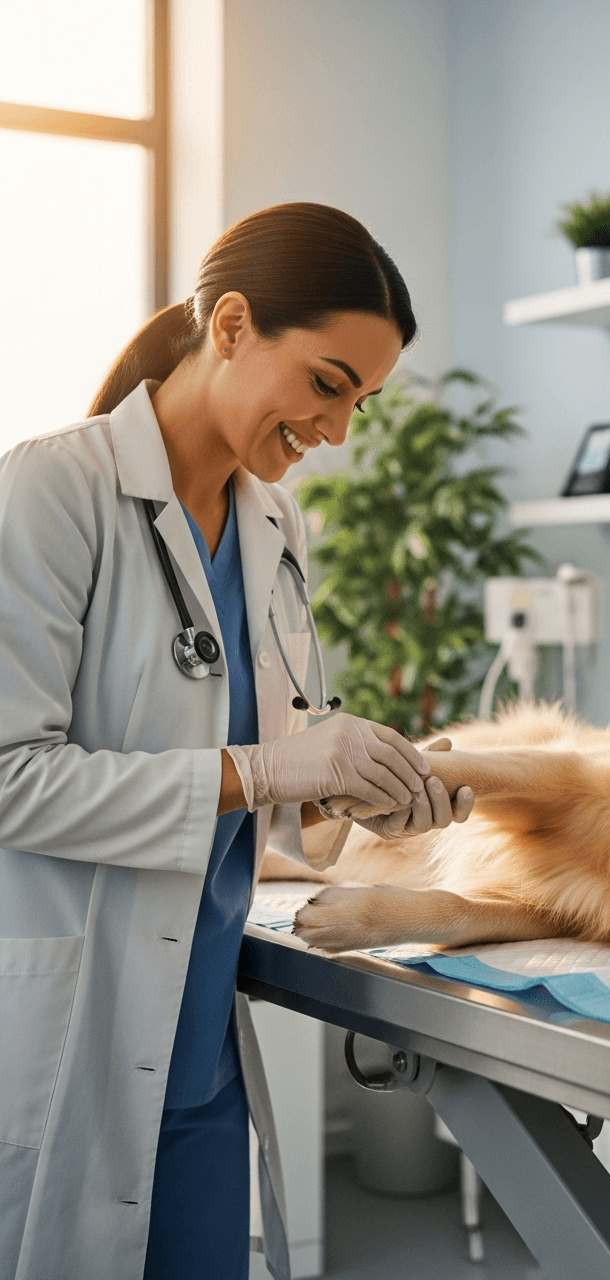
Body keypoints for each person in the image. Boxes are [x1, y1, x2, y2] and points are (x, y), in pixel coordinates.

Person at [0, 202, 473, 1280]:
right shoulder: (51, 486)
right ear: (229, 326)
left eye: (361, 399)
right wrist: (266, 767)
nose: (340, 431)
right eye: (325, 382)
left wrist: (350, 786)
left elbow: (262, 756)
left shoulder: (274, 520)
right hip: (65, 1044)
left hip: (194, 1054)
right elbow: (9, 777)